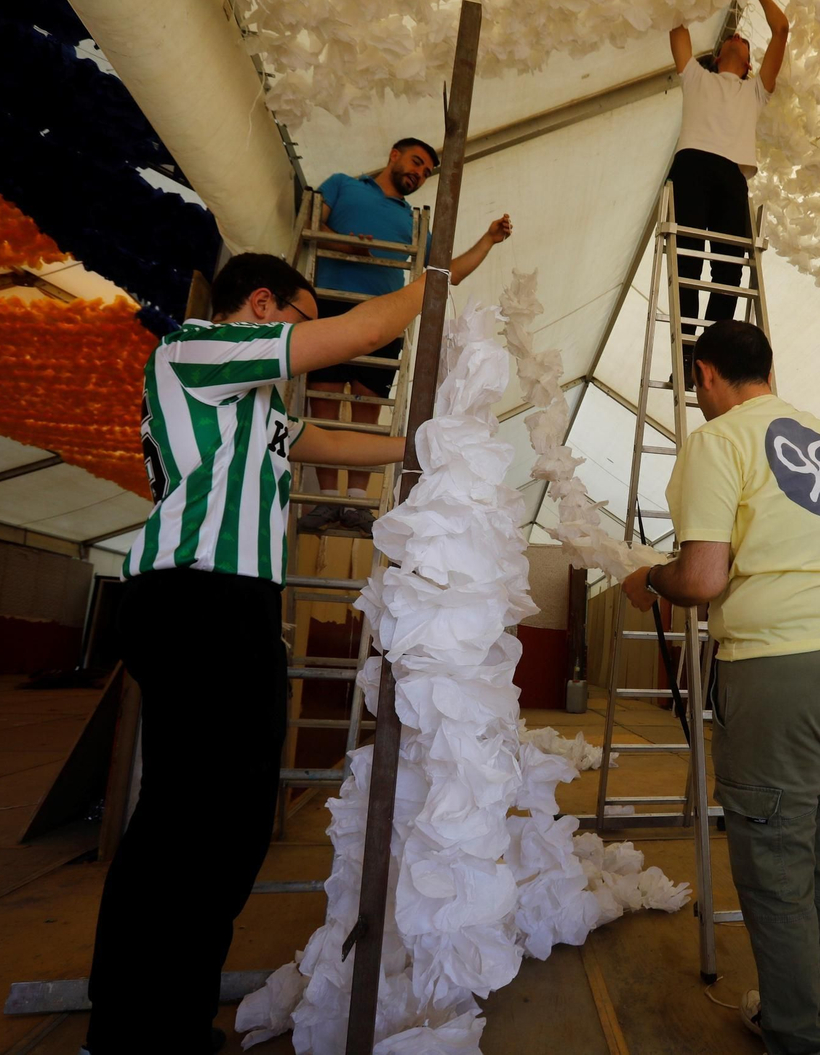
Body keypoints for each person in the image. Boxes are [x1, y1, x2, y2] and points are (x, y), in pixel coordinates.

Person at [84, 254, 429, 1055]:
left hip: (237, 611)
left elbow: (333, 442)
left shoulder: (254, 407)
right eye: (300, 324)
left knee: (229, 827)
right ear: (263, 303)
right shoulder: (196, 351)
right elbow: (368, 329)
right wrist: (448, 275)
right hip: (192, 601)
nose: (306, 345)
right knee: (183, 824)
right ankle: (128, 1029)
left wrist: (426, 446)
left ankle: (173, 1016)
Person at [620, 320, 820, 1055]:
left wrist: (649, 581)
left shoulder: (718, 440)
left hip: (783, 671)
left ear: (705, 375)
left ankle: (795, 1032)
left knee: (773, 860)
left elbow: (703, 579)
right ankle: (802, 985)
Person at [303, 136, 513, 532]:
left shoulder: (413, 221)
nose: (418, 173)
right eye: (415, 162)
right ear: (393, 155)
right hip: (330, 306)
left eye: (425, 172)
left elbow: (443, 273)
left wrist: (488, 240)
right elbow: (311, 221)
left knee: (368, 413)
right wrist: (347, 245)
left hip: (384, 317)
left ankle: (355, 504)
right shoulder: (342, 185)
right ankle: (327, 502)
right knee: (324, 408)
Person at [667, 0, 790, 384]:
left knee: (730, 269)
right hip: (692, 165)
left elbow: (782, 27)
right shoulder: (696, 77)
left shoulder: (755, 91)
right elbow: (676, 23)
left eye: (746, 41)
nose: (739, 37)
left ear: (749, 64)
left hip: (731, 176)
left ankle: (710, 355)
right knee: (686, 260)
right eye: (733, 37)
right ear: (718, 54)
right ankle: (687, 356)